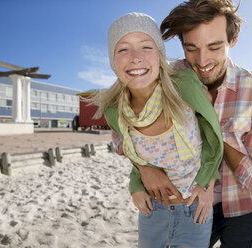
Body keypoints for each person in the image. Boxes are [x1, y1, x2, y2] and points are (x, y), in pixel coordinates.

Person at [133, 1, 252, 247]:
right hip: (188, 205)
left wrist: (210, 122)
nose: (202, 61)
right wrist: (143, 170)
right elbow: (122, 133)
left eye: (214, 47)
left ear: (232, 40)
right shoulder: (167, 78)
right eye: (191, 48)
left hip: (245, 207)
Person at [90, 12, 223, 248]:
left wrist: (206, 183)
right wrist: (136, 186)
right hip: (153, 208)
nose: (136, 58)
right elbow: (133, 153)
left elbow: (212, 136)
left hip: (195, 207)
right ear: (113, 61)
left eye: (146, 47)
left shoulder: (184, 85)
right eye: (123, 49)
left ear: (160, 54)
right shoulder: (114, 110)